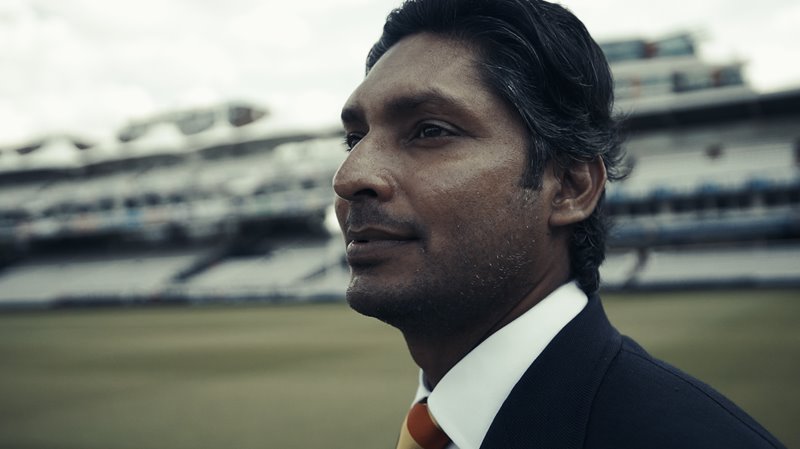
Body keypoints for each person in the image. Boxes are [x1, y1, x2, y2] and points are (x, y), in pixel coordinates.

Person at [332, 0, 786, 448]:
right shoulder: (440, 424)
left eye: (430, 130)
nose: (349, 176)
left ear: (570, 187)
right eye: (354, 139)